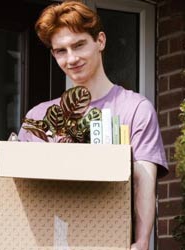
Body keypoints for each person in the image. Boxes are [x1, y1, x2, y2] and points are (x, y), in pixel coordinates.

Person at [19, 1, 168, 249]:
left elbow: (144, 181)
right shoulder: (40, 116)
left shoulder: (134, 108)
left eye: (79, 45)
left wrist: (142, 241)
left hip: (112, 241)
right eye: (61, 51)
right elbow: (22, 186)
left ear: (100, 41)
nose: (72, 58)